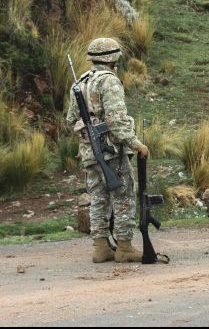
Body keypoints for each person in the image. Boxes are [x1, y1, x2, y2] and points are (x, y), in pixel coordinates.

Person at [66, 38, 149, 263]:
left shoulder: (79, 83)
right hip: (111, 150)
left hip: (89, 152)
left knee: (98, 198)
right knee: (123, 196)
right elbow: (116, 120)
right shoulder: (109, 81)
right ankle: (124, 247)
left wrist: (88, 136)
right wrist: (135, 144)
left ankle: (100, 247)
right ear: (113, 59)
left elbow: (71, 120)